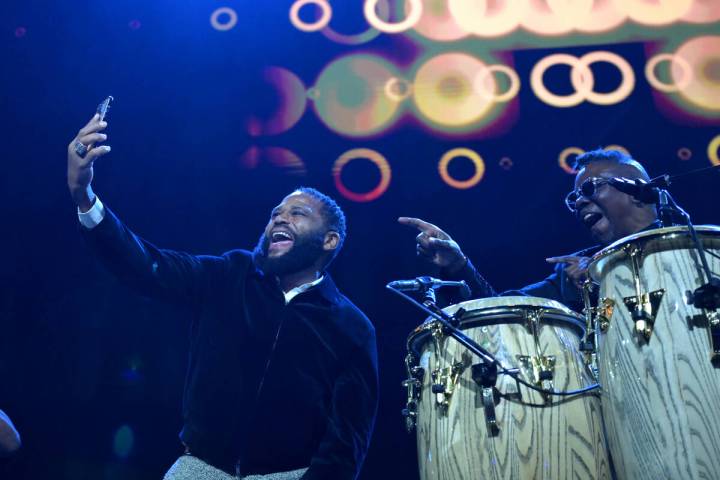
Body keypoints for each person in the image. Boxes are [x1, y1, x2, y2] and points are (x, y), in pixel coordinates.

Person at [67, 113, 378, 480]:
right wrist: (84, 197)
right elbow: (146, 265)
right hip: (201, 468)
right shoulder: (229, 275)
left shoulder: (351, 327)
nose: (279, 219)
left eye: (298, 214)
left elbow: (347, 440)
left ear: (329, 240)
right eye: (275, 213)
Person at [399, 149, 660, 312]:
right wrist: (457, 265)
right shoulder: (572, 275)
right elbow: (501, 312)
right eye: (574, 197)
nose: (579, 201)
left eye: (590, 189)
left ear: (636, 191)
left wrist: (610, 275)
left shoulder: (695, 246)